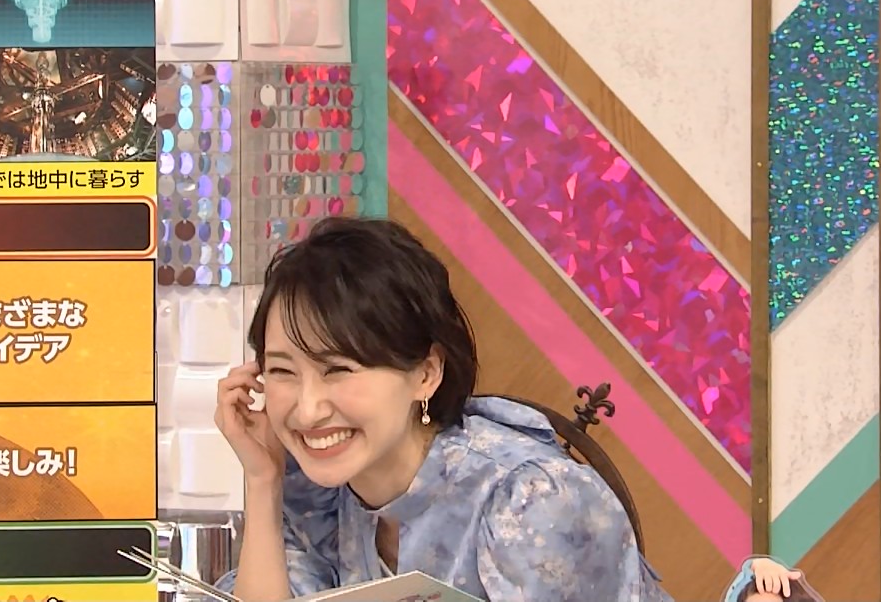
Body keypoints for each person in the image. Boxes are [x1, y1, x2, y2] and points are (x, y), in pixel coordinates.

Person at [213, 218, 672, 601]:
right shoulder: (317, 492)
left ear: (426, 373)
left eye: (338, 370)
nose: (308, 410)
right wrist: (262, 481)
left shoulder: (529, 500)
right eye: (282, 371)